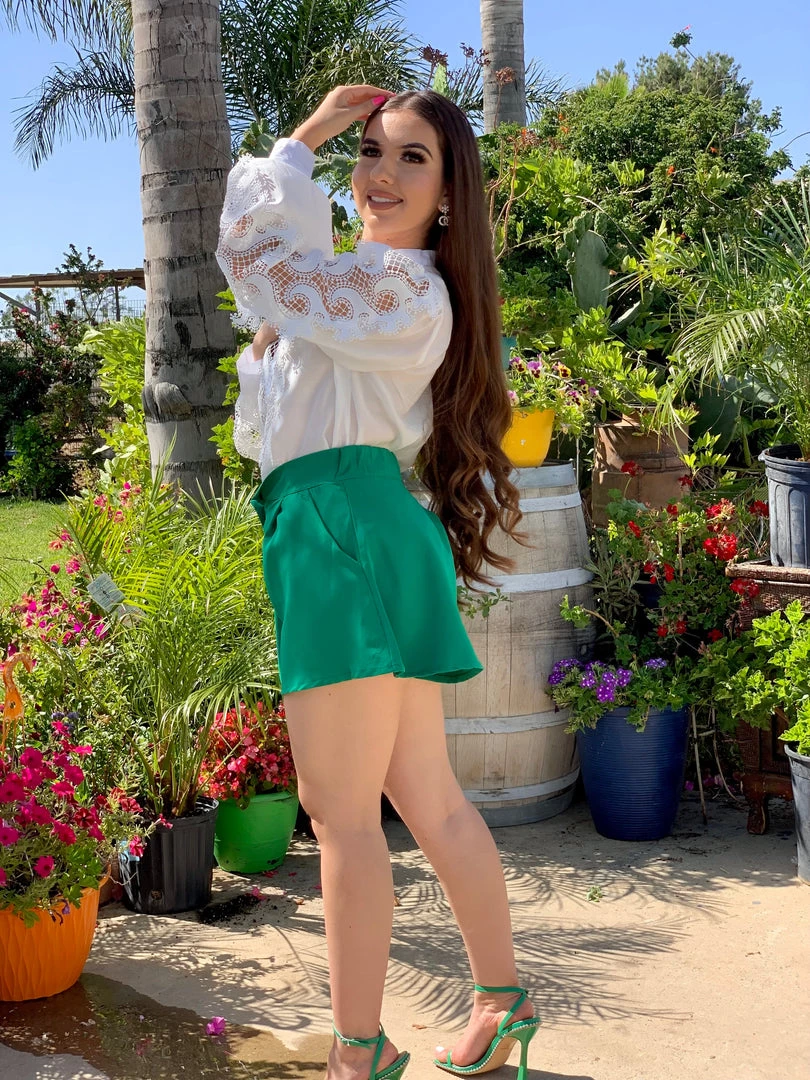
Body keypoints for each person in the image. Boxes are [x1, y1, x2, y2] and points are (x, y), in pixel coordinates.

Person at [216, 85, 540, 1080]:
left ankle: (358, 1054)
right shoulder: (356, 291)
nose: (381, 175)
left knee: (342, 814)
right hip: (346, 526)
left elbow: (257, 260)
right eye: (369, 152)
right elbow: (264, 407)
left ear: (448, 194)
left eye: (412, 158)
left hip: (342, 530)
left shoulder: (397, 288)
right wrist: (283, 330)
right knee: (425, 799)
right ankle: (501, 1007)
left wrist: (301, 140)